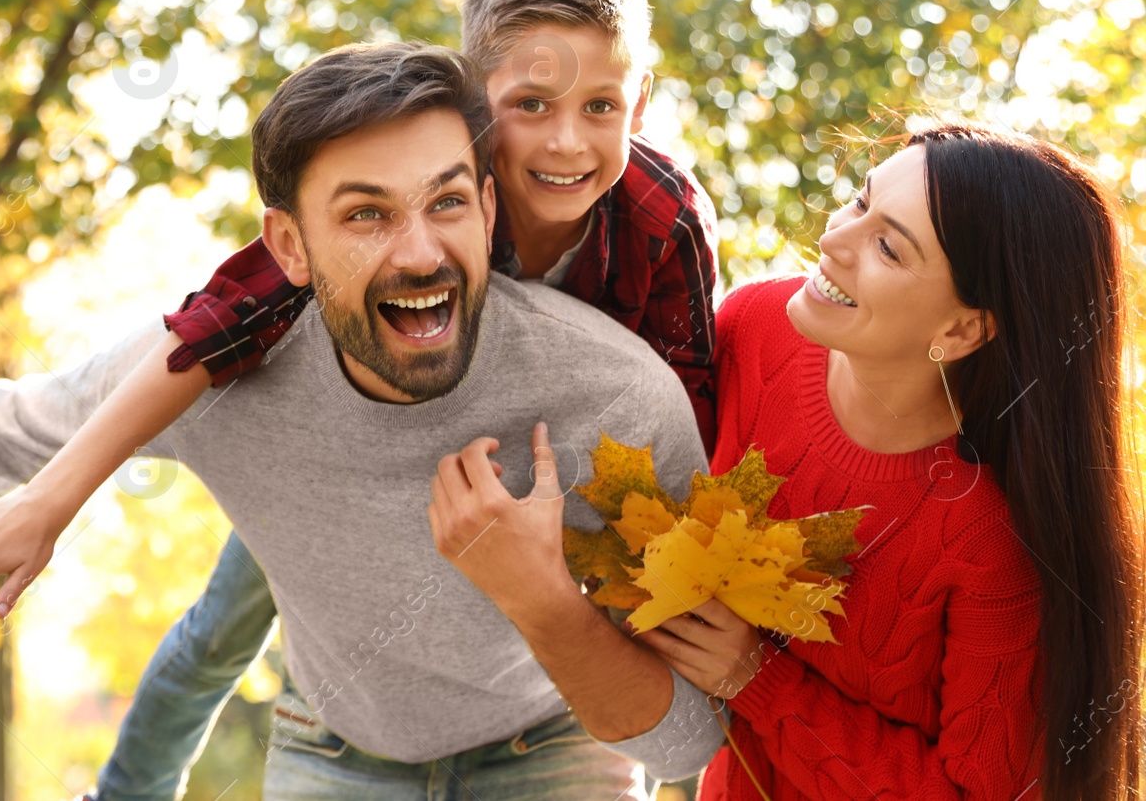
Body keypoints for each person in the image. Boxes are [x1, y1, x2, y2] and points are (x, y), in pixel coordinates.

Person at [0, 40, 723, 795]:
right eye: (364, 215)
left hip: (555, 748)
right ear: (287, 246)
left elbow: (685, 742)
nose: (419, 251)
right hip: (338, 752)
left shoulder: (613, 398)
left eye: (447, 205)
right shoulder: (219, 373)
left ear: (486, 215)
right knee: (198, 647)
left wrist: (539, 598)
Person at [0, 0, 720, 801]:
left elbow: (682, 429)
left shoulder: (664, 220)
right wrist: (53, 496)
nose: (565, 144)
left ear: (640, 100)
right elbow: (209, 332)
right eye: (532, 106)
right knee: (222, 626)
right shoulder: (407, 180)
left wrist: (631, 618)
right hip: (347, 447)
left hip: (525, 474)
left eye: (601, 108)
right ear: (477, 99)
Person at [440, 124, 1146, 799]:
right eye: (860, 201)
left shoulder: (992, 544)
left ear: (961, 329)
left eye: (889, 249)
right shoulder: (753, 329)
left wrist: (758, 677)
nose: (835, 240)